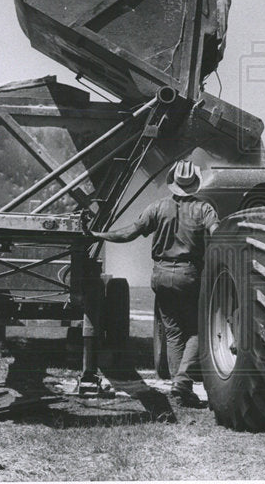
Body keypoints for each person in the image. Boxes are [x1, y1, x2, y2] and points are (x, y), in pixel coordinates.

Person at [86, 159, 218, 407]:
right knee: (198, 330)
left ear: (173, 182)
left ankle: (181, 387)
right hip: (189, 276)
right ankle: (182, 381)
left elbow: (129, 233)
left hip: (160, 274)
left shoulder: (157, 207)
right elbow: (217, 234)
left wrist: (97, 234)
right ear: (194, 185)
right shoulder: (204, 209)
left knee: (173, 331)